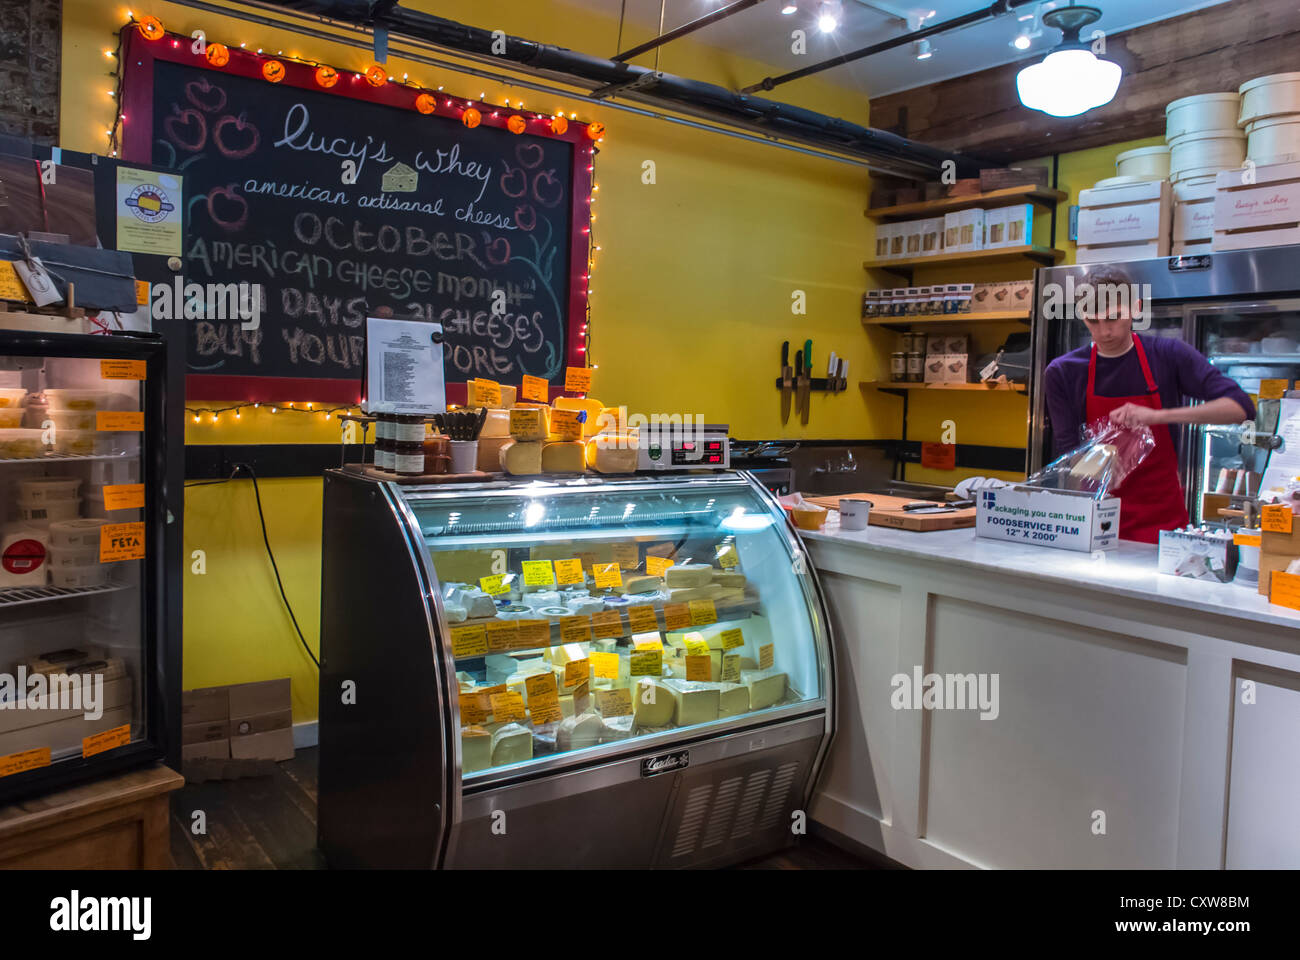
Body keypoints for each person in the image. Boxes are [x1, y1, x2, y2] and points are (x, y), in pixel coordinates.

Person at [1043, 266, 1254, 544]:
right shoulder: (1063, 372)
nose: (1104, 331)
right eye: (1092, 321)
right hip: (1097, 520)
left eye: (1114, 318)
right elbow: (1068, 451)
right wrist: (1097, 471)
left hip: (1163, 523)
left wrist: (1158, 416)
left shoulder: (1168, 355)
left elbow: (1241, 408)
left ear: (1136, 308)